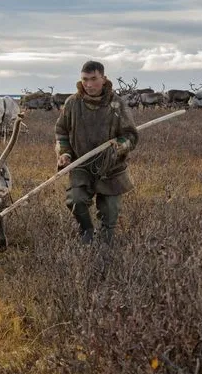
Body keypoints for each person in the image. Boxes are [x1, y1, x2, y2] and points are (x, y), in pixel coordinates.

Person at [54, 60, 139, 244]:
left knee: (109, 213)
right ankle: (87, 232)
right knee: (75, 200)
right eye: (85, 79)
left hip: (111, 167)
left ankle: (104, 249)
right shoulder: (72, 104)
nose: (89, 84)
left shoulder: (117, 105)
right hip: (81, 165)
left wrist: (120, 145)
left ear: (104, 78)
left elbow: (131, 136)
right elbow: (61, 132)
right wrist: (65, 153)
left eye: (93, 79)